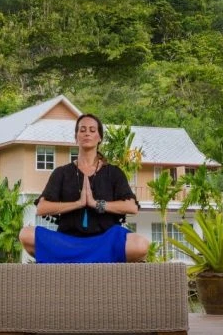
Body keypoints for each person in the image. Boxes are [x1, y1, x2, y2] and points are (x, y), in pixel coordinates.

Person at [19, 113, 150, 263]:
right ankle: (93, 260)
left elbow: (131, 207)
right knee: (26, 234)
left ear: (99, 137)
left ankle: (73, 260)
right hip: (68, 242)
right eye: (82, 130)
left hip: (104, 241)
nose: (87, 133)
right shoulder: (62, 173)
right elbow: (42, 208)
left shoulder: (113, 173)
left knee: (140, 245)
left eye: (92, 130)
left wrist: (96, 203)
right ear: (76, 137)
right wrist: (78, 203)